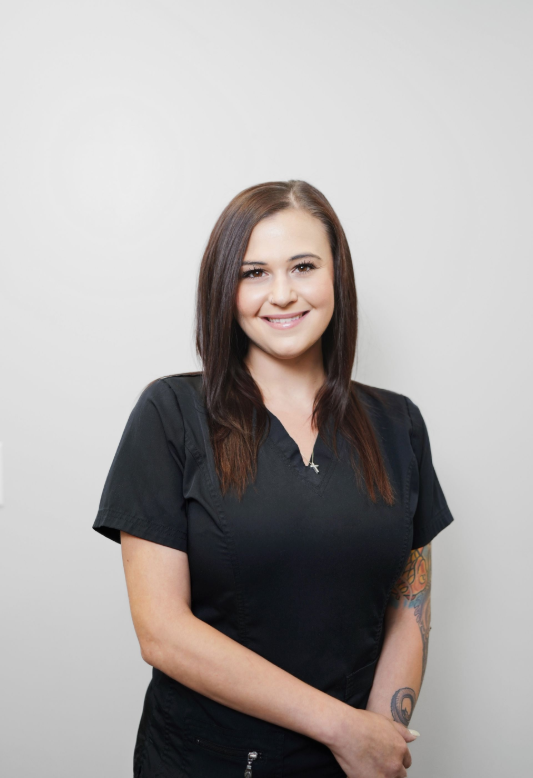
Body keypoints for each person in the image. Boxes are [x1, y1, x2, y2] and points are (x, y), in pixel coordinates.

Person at [92, 179, 454, 778]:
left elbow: (409, 605)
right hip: (209, 764)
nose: (281, 294)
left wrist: (378, 742)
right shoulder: (171, 414)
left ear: (337, 275)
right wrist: (343, 728)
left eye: (303, 266)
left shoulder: (399, 425)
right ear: (225, 289)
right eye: (253, 272)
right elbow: (161, 632)